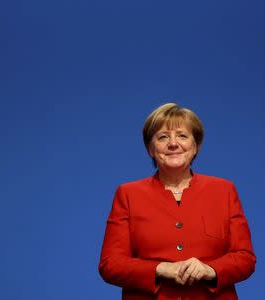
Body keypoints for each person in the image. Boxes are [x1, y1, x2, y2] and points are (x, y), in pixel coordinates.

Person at [98, 103, 256, 299]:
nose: (173, 143)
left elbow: (245, 258)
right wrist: (160, 268)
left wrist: (210, 269)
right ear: (150, 149)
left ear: (196, 145)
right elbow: (110, 264)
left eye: (182, 135)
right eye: (163, 137)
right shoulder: (128, 194)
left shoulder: (224, 190)